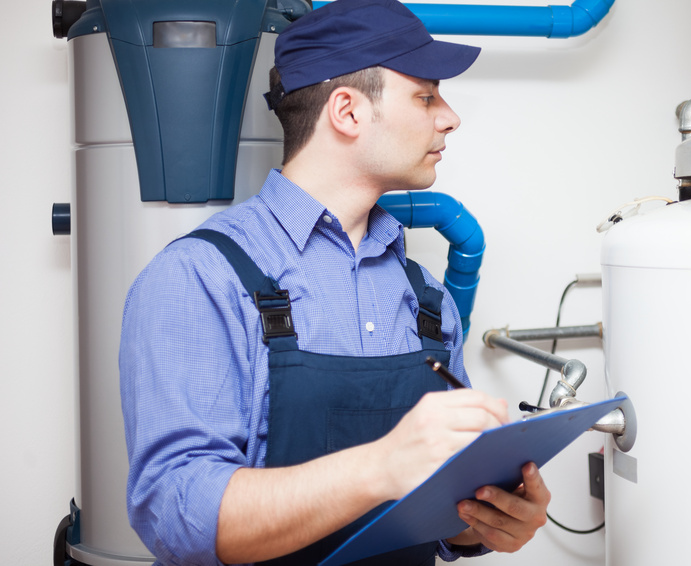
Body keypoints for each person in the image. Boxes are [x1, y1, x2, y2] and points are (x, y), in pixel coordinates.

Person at [119, 0, 551, 564]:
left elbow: (443, 501)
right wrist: (379, 467)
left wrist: (486, 519)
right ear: (347, 112)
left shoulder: (426, 299)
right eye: (425, 96)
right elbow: (175, 514)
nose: (449, 117)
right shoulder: (201, 276)